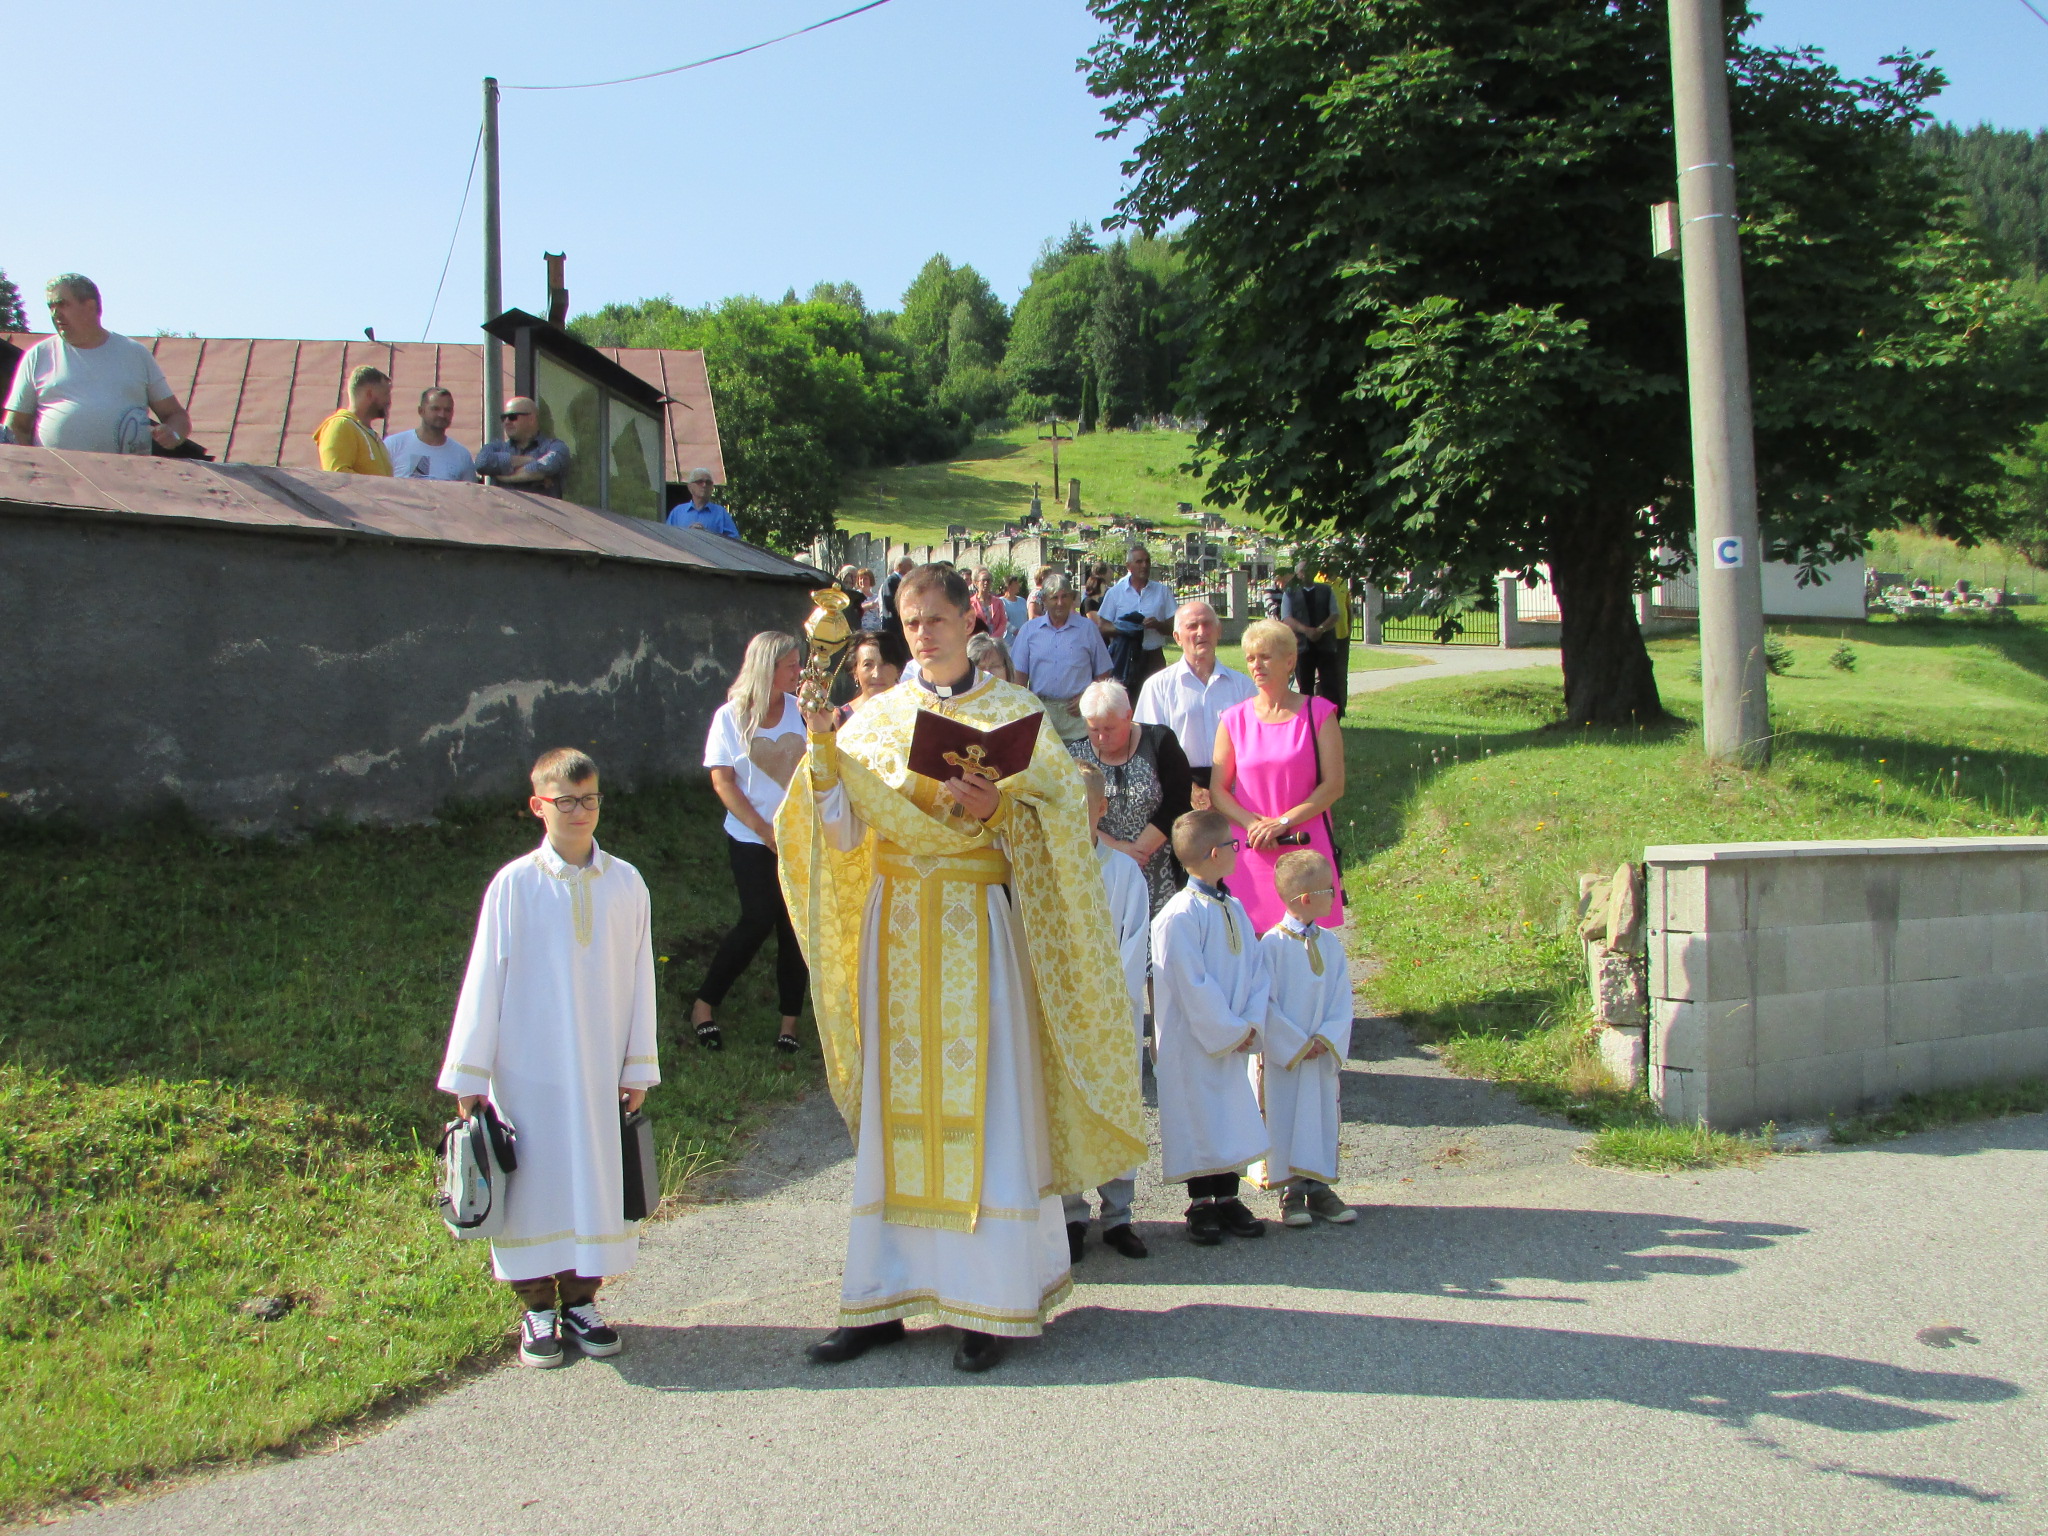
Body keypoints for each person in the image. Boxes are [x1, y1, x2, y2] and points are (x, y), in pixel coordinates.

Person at [777, 564, 1143, 1374]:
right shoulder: (876, 717)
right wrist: (823, 754)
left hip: (978, 926)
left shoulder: (1015, 713)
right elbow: (840, 833)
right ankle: (881, 1298)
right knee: (895, 1108)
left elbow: (1061, 821)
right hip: (898, 929)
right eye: (910, 622)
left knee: (990, 1104)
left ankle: (991, 1300)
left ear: (968, 618)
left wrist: (1000, 807)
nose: (923, 634)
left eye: (936, 619)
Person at [437, 748, 658, 1369]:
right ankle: (535, 1307)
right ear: (539, 806)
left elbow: (640, 975)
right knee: (532, 1184)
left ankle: (582, 1301)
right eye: (566, 801)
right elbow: (485, 977)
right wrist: (470, 1073)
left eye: (589, 799)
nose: (580, 811)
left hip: (597, 1066)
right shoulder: (515, 885)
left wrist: (637, 1065)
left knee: (593, 1178)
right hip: (527, 1068)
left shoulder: (626, 882)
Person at [1152, 809, 1271, 1246]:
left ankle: (1228, 1196)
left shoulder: (1234, 908)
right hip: (1195, 1042)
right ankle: (1200, 1201)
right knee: (1199, 1117)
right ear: (1216, 853)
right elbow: (1191, 984)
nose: (1239, 851)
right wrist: (1226, 1030)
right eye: (1233, 845)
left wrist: (1250, 1023)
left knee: (1231, 1113)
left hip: (1234, 1033)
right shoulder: (1178, 916)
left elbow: (1256, 969)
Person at [694, 632, 809, 1055]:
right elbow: (723, 781)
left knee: (794, 926)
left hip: (800, 838)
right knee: (758, 918)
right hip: (750, 836)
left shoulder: (803, 710)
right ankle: (704, 1004)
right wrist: (763, 830)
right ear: (766, 668)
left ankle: (789, 1022)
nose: (799, 671)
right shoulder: (730, 717)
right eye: (791, 665)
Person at [1211, 620, 1348, 936]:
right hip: (1252, 849)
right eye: (1250, 658)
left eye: (1265, 657)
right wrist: (1253, 824)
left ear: (1289, 661)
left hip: (1305, 848)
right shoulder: (1233, 719)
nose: (1256, 665)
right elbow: (1218, 790)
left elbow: (1334, 785)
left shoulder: (1319, 714)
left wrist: (1283, 822)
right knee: (1252, 943)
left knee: (1308, 946)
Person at [1065, 763, 1150, 1263]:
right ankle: (1070, 1215)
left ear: (1102, 807)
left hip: (1113, 1015)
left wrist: (1106, 998)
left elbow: (1134, 939)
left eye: (1081, 805)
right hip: (1063, 1015)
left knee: (1116, 1107)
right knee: (1068, 1111)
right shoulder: (1045, 867)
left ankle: (1118, 1215)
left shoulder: (1123, 871)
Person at [1254, 850, 1357, 1227]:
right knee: (1287, 1117)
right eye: (1330, 889)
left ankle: (1320, 1188)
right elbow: (1265, 1002)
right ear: (1306, 899)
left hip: (1320, 1053)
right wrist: (1296, 1043)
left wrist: (1327, 1037)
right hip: (1289, 1058)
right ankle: (1291, 1191)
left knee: (1319, 1116)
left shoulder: (1331, 944)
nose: (1336, 894)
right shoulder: (1271, 946)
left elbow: (1342, 997)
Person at [4, 274, 192, 454]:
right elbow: (15, 427)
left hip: (124, 473)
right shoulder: (38, 355)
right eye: (50, 306)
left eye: (62, 304)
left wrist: (173, 434)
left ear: (90, 306)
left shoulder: (135, 354)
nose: (55, 313)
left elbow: (177, 416)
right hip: (58, 474)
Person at [1071, 679, 1193, 916]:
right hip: (1101, 871)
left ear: (1128, 716)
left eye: (1109, 729)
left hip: (1158, 870)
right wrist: (1117, 849)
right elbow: (1071, 812)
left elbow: (1177, 801)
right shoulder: (1075, 755)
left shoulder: (1159, 741)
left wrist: (1139, 851)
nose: (1101, 737)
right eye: (1094, 730)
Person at [1135, 599, 1256, 807]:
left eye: (1207, 624)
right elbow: (1148, 749)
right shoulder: (1157, 686)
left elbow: (1255, 745)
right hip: (1177, 789)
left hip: (1236, 789)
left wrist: (1224, 791)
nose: (1201, 632)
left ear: (1219, 631)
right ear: (1177, 637)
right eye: (1192, 626)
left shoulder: (1243, 686)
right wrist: (1189, 788)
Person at [1009, 574, 1115, 744]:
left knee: (1079, 761)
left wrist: (1088, 697)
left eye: (1064, 596)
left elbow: (1104, 671)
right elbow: (1018, 676)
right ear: (1044, 600)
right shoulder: (1029, 630)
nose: (1060, 602)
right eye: (1054, 598)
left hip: (1077, 715)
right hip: (1042, 713)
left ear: (1072, 598)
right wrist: (1024, 708)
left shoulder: (1087, 628)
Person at [1096, 545, 1177, 696]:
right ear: (1129, 566)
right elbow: (1102, 626)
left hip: (1153, 657)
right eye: (1139, 562)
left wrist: (1158, 625)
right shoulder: (1115, 593)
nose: (1144, 565)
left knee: (1156, 700)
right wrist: (1126, 628)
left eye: (1147, 561)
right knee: (1124, 701)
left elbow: (1175, 627)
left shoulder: (1162, 592)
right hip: (1125, 657)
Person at [1283, 559, 1348, 715]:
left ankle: (1333, 717)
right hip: (1302, 646)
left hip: (1325, 645)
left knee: (1330, 684)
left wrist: (1320, 629)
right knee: (1305, 686)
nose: (1306, 574)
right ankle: (1308, 717)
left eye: (1309, 570)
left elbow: (1335, 614)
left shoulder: (1326, 590)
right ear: (1297, 574)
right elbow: (1287, 618)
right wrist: (1306, 630)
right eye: (1302, 571)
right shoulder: (1290, 592)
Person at [476, 397, 569, 497]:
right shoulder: (497, 448)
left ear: (531, 419)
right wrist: (530, 462)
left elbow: (547, 465)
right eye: (503, 418)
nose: (506, 422)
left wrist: (507, 478)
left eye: (512, 417)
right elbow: (482, 462)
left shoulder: (555, 447)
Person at [314, 365, 394, 475]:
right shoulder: (341, 425)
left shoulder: (373, 436)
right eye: (385, 394)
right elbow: (337, 476)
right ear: (369, 394)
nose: (389, 401)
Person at [384, 386, 476, 481]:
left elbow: (470, 490)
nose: (442, 415)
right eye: (435, 409)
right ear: (421, 411)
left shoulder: (461, 456)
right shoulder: (395, 445)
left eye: (447, 410)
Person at [838, 631, 899, 723]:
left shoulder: (912, 714)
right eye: (868, 664)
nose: (877, 674)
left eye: (885, 664)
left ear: (898, 670)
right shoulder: (839, 719)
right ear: (855, 671)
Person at [666, 467, 740, 537]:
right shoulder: (677, 512)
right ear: (690, 487)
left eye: (708, 482)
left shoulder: (720, 513)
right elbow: (666, 537)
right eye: (700, 482)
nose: (704, 485)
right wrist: (687, 535)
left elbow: (734, 541)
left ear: (712, 488)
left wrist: (707, 535)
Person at [881, 555, 916, 641]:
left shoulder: (905, 581)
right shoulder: (891, 581)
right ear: (900, 566)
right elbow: (890, 602)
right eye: (909, 566)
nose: (912, 568)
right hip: (893, 626)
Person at [970, 567, 1009, 639]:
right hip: (977, 640)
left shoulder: (998, 602)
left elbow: (1003, 622)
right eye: (983, 580)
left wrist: (993, 637)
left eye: (988, 580)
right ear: (976, 583)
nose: (986, 583)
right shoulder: (970, 603)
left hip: (995, 640)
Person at [854, 567, 885, 632]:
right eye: (860, 578)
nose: (862, 581)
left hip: (876, 631)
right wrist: (869, 605)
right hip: (861, 631)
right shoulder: (855, 595)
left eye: (865, 578)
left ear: (871, 580)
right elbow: (853, 610)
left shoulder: (876, 597)